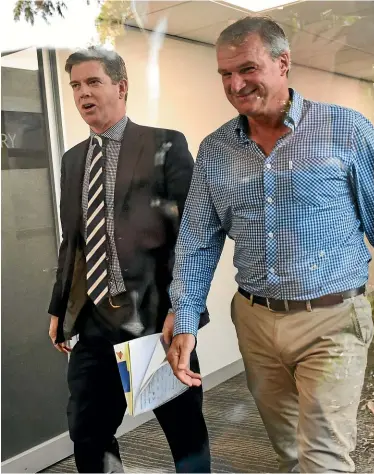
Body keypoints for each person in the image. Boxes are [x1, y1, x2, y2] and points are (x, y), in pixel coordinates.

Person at [166, 16, 374, 473]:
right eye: (225, 74)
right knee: (288, 452)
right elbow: (197, 240)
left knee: (323, 460)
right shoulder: (215, 150)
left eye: (247, 68)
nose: (235, 83)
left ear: (282, 62)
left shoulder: (344, 130)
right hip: (254, 322)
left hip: (331, 321)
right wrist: (186, 317)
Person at [48, 46, 210, 473]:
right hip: (93, 321)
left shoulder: (163, 144)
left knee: (183, 432)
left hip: (155, 319)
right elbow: (74, 242)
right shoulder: (72, 161)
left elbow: (193, 234)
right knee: (87, 432)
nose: (83, 93)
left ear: (120, 87)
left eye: (93, 82)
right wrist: (59, 307)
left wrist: (184, 309)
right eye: (76, 86)